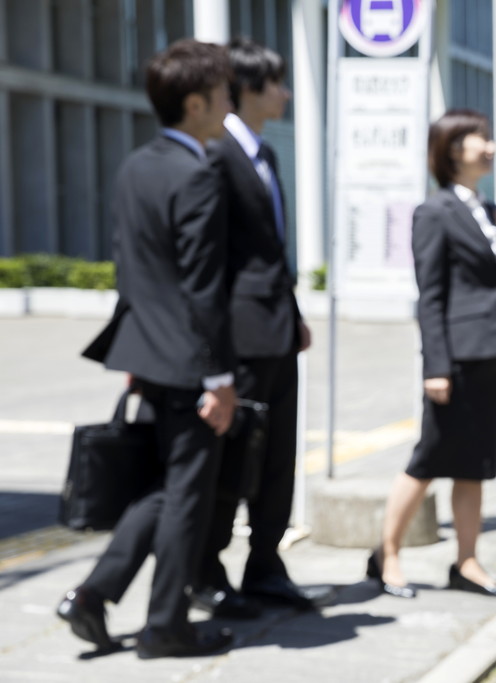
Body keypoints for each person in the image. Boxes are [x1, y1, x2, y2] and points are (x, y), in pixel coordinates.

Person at [56, 39, 237, 658]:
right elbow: (203, 288)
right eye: (223, 94)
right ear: (195, 104)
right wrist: (219, 378)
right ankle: (166, 626)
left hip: (146, 351)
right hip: (189, 362)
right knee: (187, 496)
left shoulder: (136, 166)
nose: (229, 104)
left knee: (164, 488)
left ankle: (92, 596)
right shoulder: (198, 175)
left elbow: (132, 270)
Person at [189, 37, 313, 619]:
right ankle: (207, 570)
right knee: (236, 455)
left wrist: (293, 314)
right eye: (276, 84)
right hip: (241, 336)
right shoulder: (219, 156)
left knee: (279, 455)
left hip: (278, 329)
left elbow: (270, 253)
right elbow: (212, 258)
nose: (284, 94)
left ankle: (265, 564)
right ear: (246, 90)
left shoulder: (266, 155)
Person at [368, 109, 496, 599]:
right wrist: (436, 367)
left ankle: (467, 563)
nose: (490, 147)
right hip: (455, 359)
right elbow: (430, 296)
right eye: (480, 139)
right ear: (452, 149)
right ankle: (387, 554)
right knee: (429, 459)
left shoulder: (489, 211)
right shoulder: (434, 212)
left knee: (475, 463)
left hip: (489, 352)